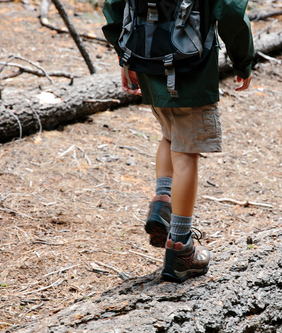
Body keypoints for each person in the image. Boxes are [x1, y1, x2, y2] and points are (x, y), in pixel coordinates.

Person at [102, 0, 254, 282]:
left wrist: (125, 56)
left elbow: (114, 6)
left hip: (146, 57)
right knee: (186, 150)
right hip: (190, 67)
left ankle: (163, 202)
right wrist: (243, 60)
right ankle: (181, 248)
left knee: (169, 135)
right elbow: (232, 11)